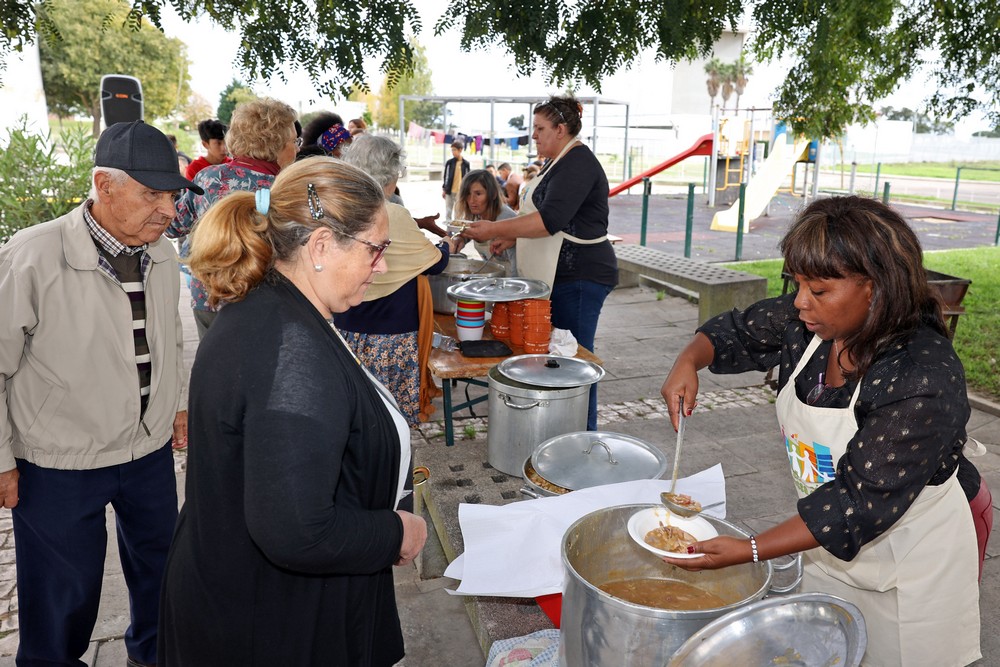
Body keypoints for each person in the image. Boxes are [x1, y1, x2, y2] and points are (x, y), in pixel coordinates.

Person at [659, 196, 985, 667]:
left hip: (913, 564)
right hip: (827, 552)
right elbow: (734, 331)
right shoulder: (806, 324)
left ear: (874, 288)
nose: (799, 301)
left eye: (819, 290)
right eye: (797, 284)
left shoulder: (920, 375)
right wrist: (687, 360)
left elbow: (853, 504)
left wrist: (748, 550)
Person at [157, 157, 427, 665]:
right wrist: (397, 531)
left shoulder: (275, 308)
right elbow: (297, 531)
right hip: (266, 623)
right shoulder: (291, 353)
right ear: (321, 246)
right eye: (376, 249)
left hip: (251, 597)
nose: (383, 266)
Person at [0, 120, 196, 666]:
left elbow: (168, 337)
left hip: (147, 454)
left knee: (162, 574)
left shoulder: (159, 253)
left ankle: (154, 658)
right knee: (64, 596)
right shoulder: (33, 256)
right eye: (151, 194)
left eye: (172, 195)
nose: (167, 210)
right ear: (103, 185)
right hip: (59, 461)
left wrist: (175, 403)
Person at [461, 95, 618, 430]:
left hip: (581, 275)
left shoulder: (577, 162)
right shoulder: (558, 160)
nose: (533, 135)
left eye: (540, 128)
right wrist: (513, 236)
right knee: (559, 359)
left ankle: (581, 436)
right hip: (562, 274)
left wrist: (495, 228)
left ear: (561, 129)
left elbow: (550, 220)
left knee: (574, 361)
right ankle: (561, 431)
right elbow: (547, 219)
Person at [336, 134, 462, 425]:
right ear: (390, 175)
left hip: (347, 330)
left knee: (357, 413)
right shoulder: (391, 212)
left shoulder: (341, 209)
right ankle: (393, 466)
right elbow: (436, 262)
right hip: (391, 336)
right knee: (391, 418)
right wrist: (447, 244)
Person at [168, 98, 299, 339]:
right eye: (294, 141)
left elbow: (174, 226)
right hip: (263, 301)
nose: (298, 148)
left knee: (213, 367)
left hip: (208, 296)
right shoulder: (285, 190)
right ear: (276, 144)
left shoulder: (207, 178)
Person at [453, 168, 517, 273]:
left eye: (478, 194)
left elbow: (516, 264)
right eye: (468, 194)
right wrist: (461, 239)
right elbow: (472, 228)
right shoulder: (478, 214)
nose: (472, 200)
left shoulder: (505, 218)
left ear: (493, 194)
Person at [441, 139, 470, 220]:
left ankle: (457, 231)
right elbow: (445, 176)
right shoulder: (449, 163)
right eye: (452, 150)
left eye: (454, 150)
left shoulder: (466, 164)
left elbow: (467, 178)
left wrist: (467, 191)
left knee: (458, 213)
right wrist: (444, 189)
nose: (453, 152)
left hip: (460, 193)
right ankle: (448, 231)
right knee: (448, 212)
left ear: (460, 150)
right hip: (449, 191)